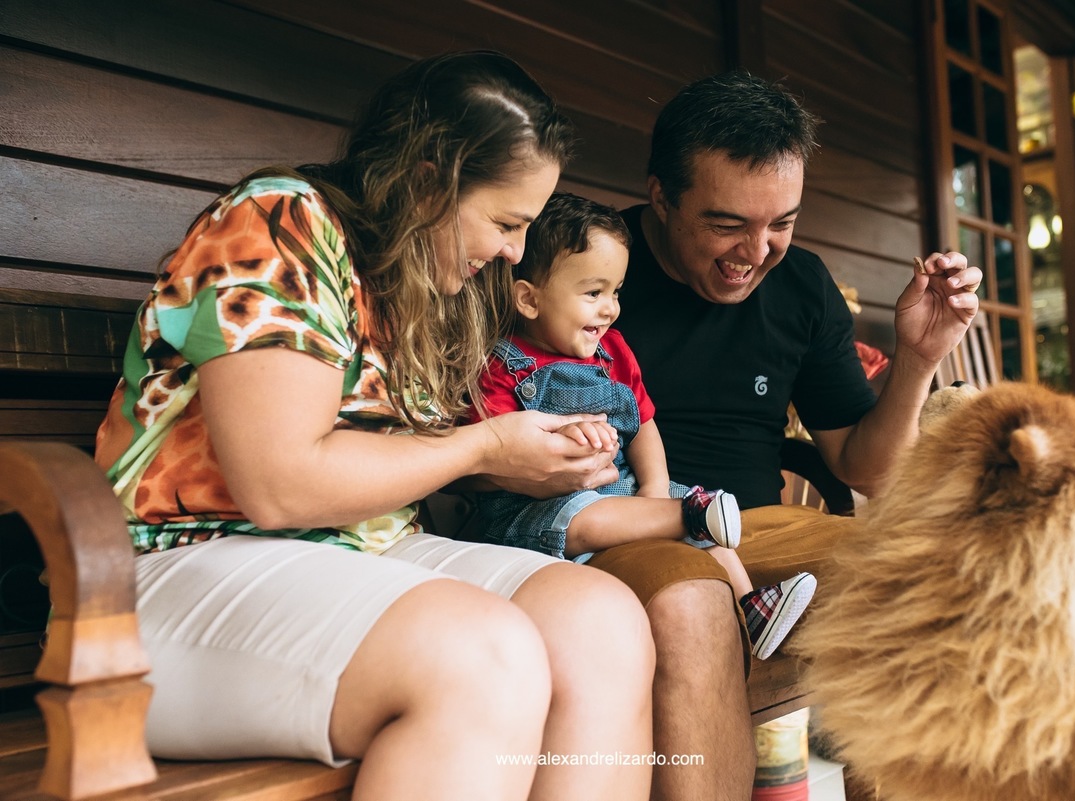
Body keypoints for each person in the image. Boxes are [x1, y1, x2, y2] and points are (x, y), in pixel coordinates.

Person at [93, 51, 655, 801]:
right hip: (180, 569)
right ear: (430, 181)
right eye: (506, 222)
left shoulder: (424, 278)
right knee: (482, 653)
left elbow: (406, 464)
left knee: (602, 622)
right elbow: (280, 484)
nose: (514, 253)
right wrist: (482, 445)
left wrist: (520, 463)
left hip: (373, 551)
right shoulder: (280, 223)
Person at [588, 71, 982, 800]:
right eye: (727, 223)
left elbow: (863, 467)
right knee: (693, 601)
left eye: (782, 223)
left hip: (761, 528)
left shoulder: (800, 284)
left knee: (927, 569)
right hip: (630, 525)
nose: (757, 251)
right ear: (661, 197)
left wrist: (920, 359)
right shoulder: (592, 270)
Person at [471, 191, 818, 660]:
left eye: (615, 292)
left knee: (695, 519)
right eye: (593, 293)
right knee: (593, 514)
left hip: (627, 495)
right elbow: (492, 456)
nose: (610, 308)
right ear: (529, 299)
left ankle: (750, 605)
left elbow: (644, 423)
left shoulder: (613, 351)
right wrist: (561, 442)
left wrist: (654, 488)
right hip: (532, 514)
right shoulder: (502, 364)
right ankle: (685, 514)